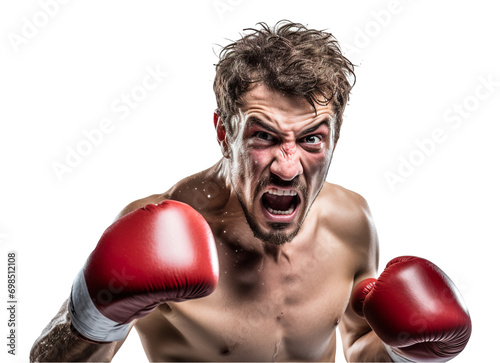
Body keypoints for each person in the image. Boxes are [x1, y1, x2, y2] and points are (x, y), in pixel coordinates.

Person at [30, 21, 471, 362]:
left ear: (335, 138)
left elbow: (359, 348)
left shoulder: (351, 220)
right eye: (263, 137)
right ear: (224, 133)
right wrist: (96, 312)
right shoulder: (158, 227)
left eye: (311, 139)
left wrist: (406, 351)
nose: (287, 166)